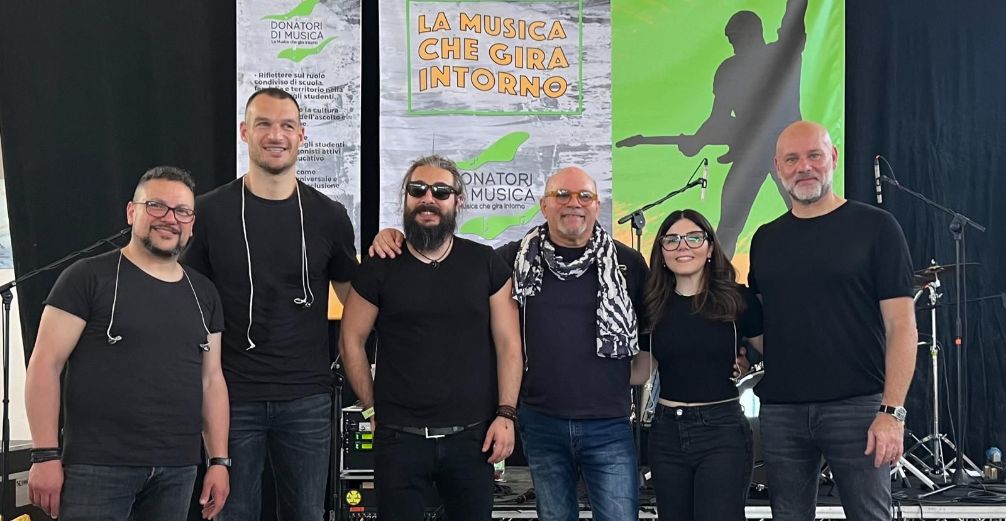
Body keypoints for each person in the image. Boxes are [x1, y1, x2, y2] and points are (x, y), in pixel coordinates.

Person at [183, 88, 358, 520]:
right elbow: (188, 303)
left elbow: (353, 302)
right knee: (233, 513)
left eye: (286, 126)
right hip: (231, 396)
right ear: (245, 132)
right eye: (263, 124)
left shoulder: (330, 216)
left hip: (307, 398)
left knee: (306, 513)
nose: (275, 135)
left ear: (302, 135)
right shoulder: (209, 213)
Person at [25, 166, 229, 521]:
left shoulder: (204, 294)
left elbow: (211, 381)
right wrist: (44, 455)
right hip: (96, 468)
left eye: (182, 211)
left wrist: (219, 461)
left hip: (178, 469)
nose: (170, 219)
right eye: (157, 206)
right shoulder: (86, 278)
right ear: (132, 212)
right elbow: (45, 364)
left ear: (192, 224)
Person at [749, 120, 917, 520]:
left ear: (834, 158)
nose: (804, 167)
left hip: (858, 408)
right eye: (792, 159)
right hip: (782, 412)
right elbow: (764, 326)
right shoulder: (765, 239)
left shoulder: (876, 228)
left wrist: (892, 412)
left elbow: (902, 326)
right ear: (777, 166)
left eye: (814, 155)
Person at [340, 155, 522, 520]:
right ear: (405, 198)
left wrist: (506, 415)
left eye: (441, 191)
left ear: (458, 201)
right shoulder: (380, 265)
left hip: (472, 439)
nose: (428, 198)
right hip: (398, 440)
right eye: (418, 190)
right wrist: (371, 407)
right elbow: (350, 340)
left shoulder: (486, 263)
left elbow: (509, 345)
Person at [617, 0, 808, 258]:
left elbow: (792, 23)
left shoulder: (780, 55)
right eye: (731, 40)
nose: (734, 44)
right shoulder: (728, 69)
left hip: (788, 154)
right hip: (749, 155)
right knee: (729, 225)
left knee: (807, 215)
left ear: (755, 33)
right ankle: (719, 279)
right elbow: (719, 119)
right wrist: (697, 140)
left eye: (737, 37)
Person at [640, 208, 763, 521]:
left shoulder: (737, 299)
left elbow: (769, 351)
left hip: (722, 431)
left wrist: (747, 360)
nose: (682, 246)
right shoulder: (651, 305)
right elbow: (642, 369)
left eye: (693, 238)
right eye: (672, 240)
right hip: (666, 433)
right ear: (661, 253)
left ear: (710, 249)